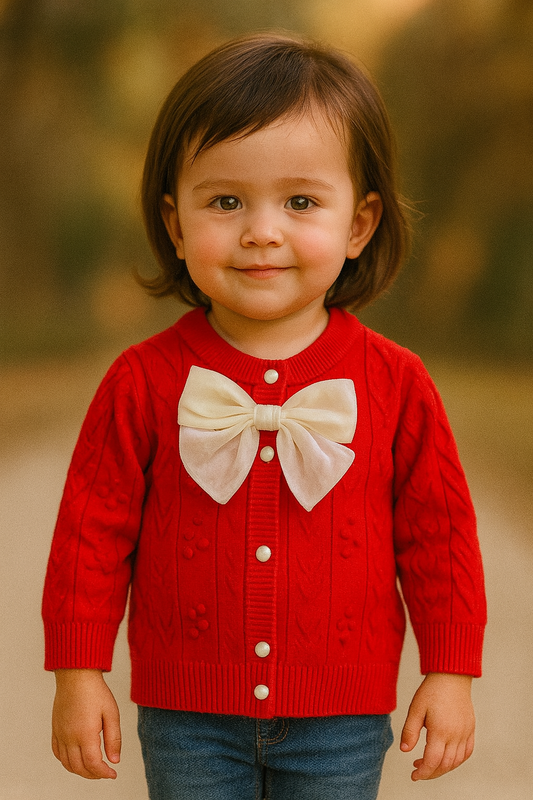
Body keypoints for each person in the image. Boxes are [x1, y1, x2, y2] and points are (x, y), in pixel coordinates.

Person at [42, 33, 487, 800]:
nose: (261, 231)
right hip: (186, 717)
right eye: (224, 201)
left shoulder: (398, 384)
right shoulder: (141, 380)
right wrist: (77, 676)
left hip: (341, 718)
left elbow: (439, 540)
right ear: (176, 224)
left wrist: (450, 674)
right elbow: (89, 537)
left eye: (301, 201)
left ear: (358, 223)